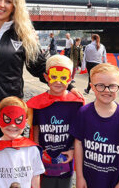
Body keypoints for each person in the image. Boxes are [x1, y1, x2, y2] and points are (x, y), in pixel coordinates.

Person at [72, 63, 119, 188]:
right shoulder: (83, 113)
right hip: (88, 180)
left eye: (112, 86)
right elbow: (79, 144)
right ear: (92, 87)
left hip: (114, 182)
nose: (107, 90)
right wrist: (80, 177)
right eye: (100, 86)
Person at [27, 55, 84, 188]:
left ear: (70, 79)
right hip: (45, 160)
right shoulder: (37, 104)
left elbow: (79, 131)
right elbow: (35, 128)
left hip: (66, 160)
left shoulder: (76, 104)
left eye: (63, 78)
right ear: (46, 77)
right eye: (54, 76)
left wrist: (73, 150)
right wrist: (37, 152)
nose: (58, 82)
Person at [0, 96, 45, 188]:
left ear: (25, 122)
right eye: (7, 119)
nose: (13, 125)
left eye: (18, 120)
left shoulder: (32, 150)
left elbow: (36, 177)